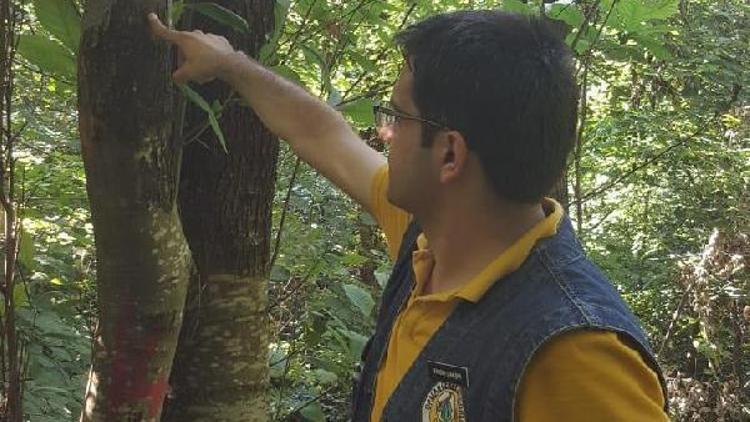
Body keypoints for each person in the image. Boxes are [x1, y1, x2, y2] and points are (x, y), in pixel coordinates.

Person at [149, 9, 669, 421]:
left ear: (450, 155)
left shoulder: (576, 352)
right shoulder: (429, 239)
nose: (383, 133)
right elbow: (323, 134)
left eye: (396, 115)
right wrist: (231, 63)